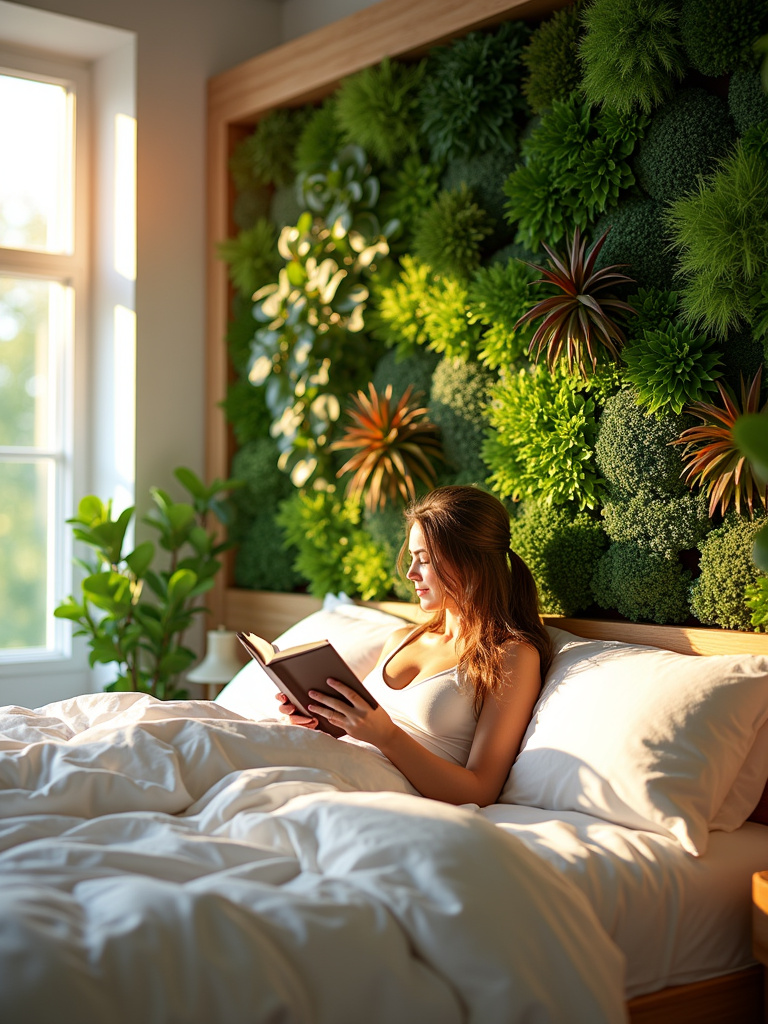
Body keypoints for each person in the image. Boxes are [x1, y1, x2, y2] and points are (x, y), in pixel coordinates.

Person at [276, 485, 553, 807]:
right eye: (411, 558)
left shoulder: (510, 656)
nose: (410, 573)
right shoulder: (402, 639)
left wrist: (387, 735)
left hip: (364, 791)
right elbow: (358, 732)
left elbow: (480, 791)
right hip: (327, 766)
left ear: (471, 563)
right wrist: (316, 721)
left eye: (424, 560)